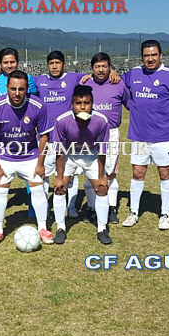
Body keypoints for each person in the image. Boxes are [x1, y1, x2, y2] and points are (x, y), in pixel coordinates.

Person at [36, 50, 120, 220]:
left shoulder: (73, 78)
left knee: (70, 175)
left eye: (57, 63)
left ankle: (71, 206)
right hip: (45, 137)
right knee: (44, 174)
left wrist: (112, 71)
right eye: (51, 63)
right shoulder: (39, 80)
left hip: (67, 139)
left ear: (64, 64)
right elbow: (19, 78)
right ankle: (44, 208)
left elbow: (96, 74)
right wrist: (1, 71)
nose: (54, 66)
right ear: (47, 65)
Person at [121, 40, 169, 230]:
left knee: (164, 173)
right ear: (142, 57)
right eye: (146, 55)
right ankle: (134, 212)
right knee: (137, 173)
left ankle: (165, 213)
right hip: (139, 136)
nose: (150, 59)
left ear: (160, 55)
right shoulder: (134, 73)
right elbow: (115, 80)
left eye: (153, 55)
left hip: (164, 137)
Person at [0, 70, 53, 247]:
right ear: (7, 87)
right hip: (5, 157)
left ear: (27, 88)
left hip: (30, 156)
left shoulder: (38, 105)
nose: (17, 93)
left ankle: (43, 228)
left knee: (38, 189)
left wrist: (40, 163)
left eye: (21, 89)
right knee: (0, 190)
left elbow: (44, 135)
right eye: (13, 89)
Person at [52, 85, 111, 245]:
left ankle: (102, 229)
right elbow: (59, 151)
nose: (83, 107)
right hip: (70, 155)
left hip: (91, 155)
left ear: (92, 104)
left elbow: (102, 150)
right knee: (59, 188)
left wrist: (101, 176)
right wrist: (59, 177)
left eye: (87, 103)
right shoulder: (62, 120)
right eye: (79, 103)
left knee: (101, 188)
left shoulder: (101, 120)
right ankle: (60, 228)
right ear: (72, 104)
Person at [82, 53, 130, 224]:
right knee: (90, 172)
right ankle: (91, 208)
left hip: (111, 134)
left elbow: (130, 104)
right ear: (92, 68)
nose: (101, 70)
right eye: (97, 66)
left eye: (104, 66)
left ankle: (111, 208)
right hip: (89, 133)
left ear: (109, 67)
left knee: (110, 172)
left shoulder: (118, 83)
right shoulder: (85, 83)